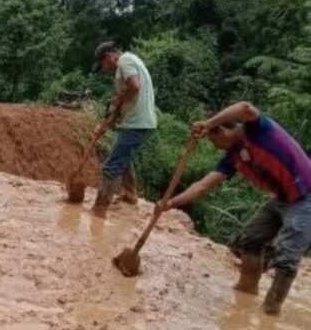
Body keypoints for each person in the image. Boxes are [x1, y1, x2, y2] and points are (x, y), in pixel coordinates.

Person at [157, 102, 311, 315]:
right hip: (282, 198)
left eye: (213, 139)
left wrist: (207, 123)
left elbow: (245, 107)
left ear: (221, 130)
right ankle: (247, 290)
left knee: (287, 258)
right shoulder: (233, 156)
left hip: (306, 196)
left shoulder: (257, 129)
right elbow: (203, 185)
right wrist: (170, 204)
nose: (213, 145)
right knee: (251, 238)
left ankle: (270, 312)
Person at [92, 42, 157, 218]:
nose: (104, 69)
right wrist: (104, 126)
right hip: (138, 122)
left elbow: (135, 86)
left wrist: (119, 97)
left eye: (103, 65)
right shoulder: (129, 62)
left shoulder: (124, 61)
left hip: (138, 123)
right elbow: (120, 106)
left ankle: (99, 210)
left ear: (108, 57)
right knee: (124, 158)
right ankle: (130, 195)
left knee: (111, 166)